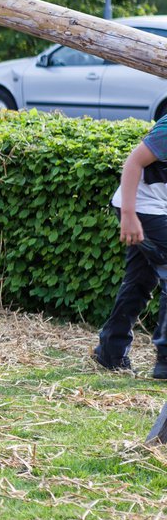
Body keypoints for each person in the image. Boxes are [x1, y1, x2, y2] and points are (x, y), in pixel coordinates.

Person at [94, 121, 167, 380]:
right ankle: (165, 360)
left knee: (140, 281)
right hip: (142, 209)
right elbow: (133, 163)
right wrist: (128, 214)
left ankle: (110, 351)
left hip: (156, 209)